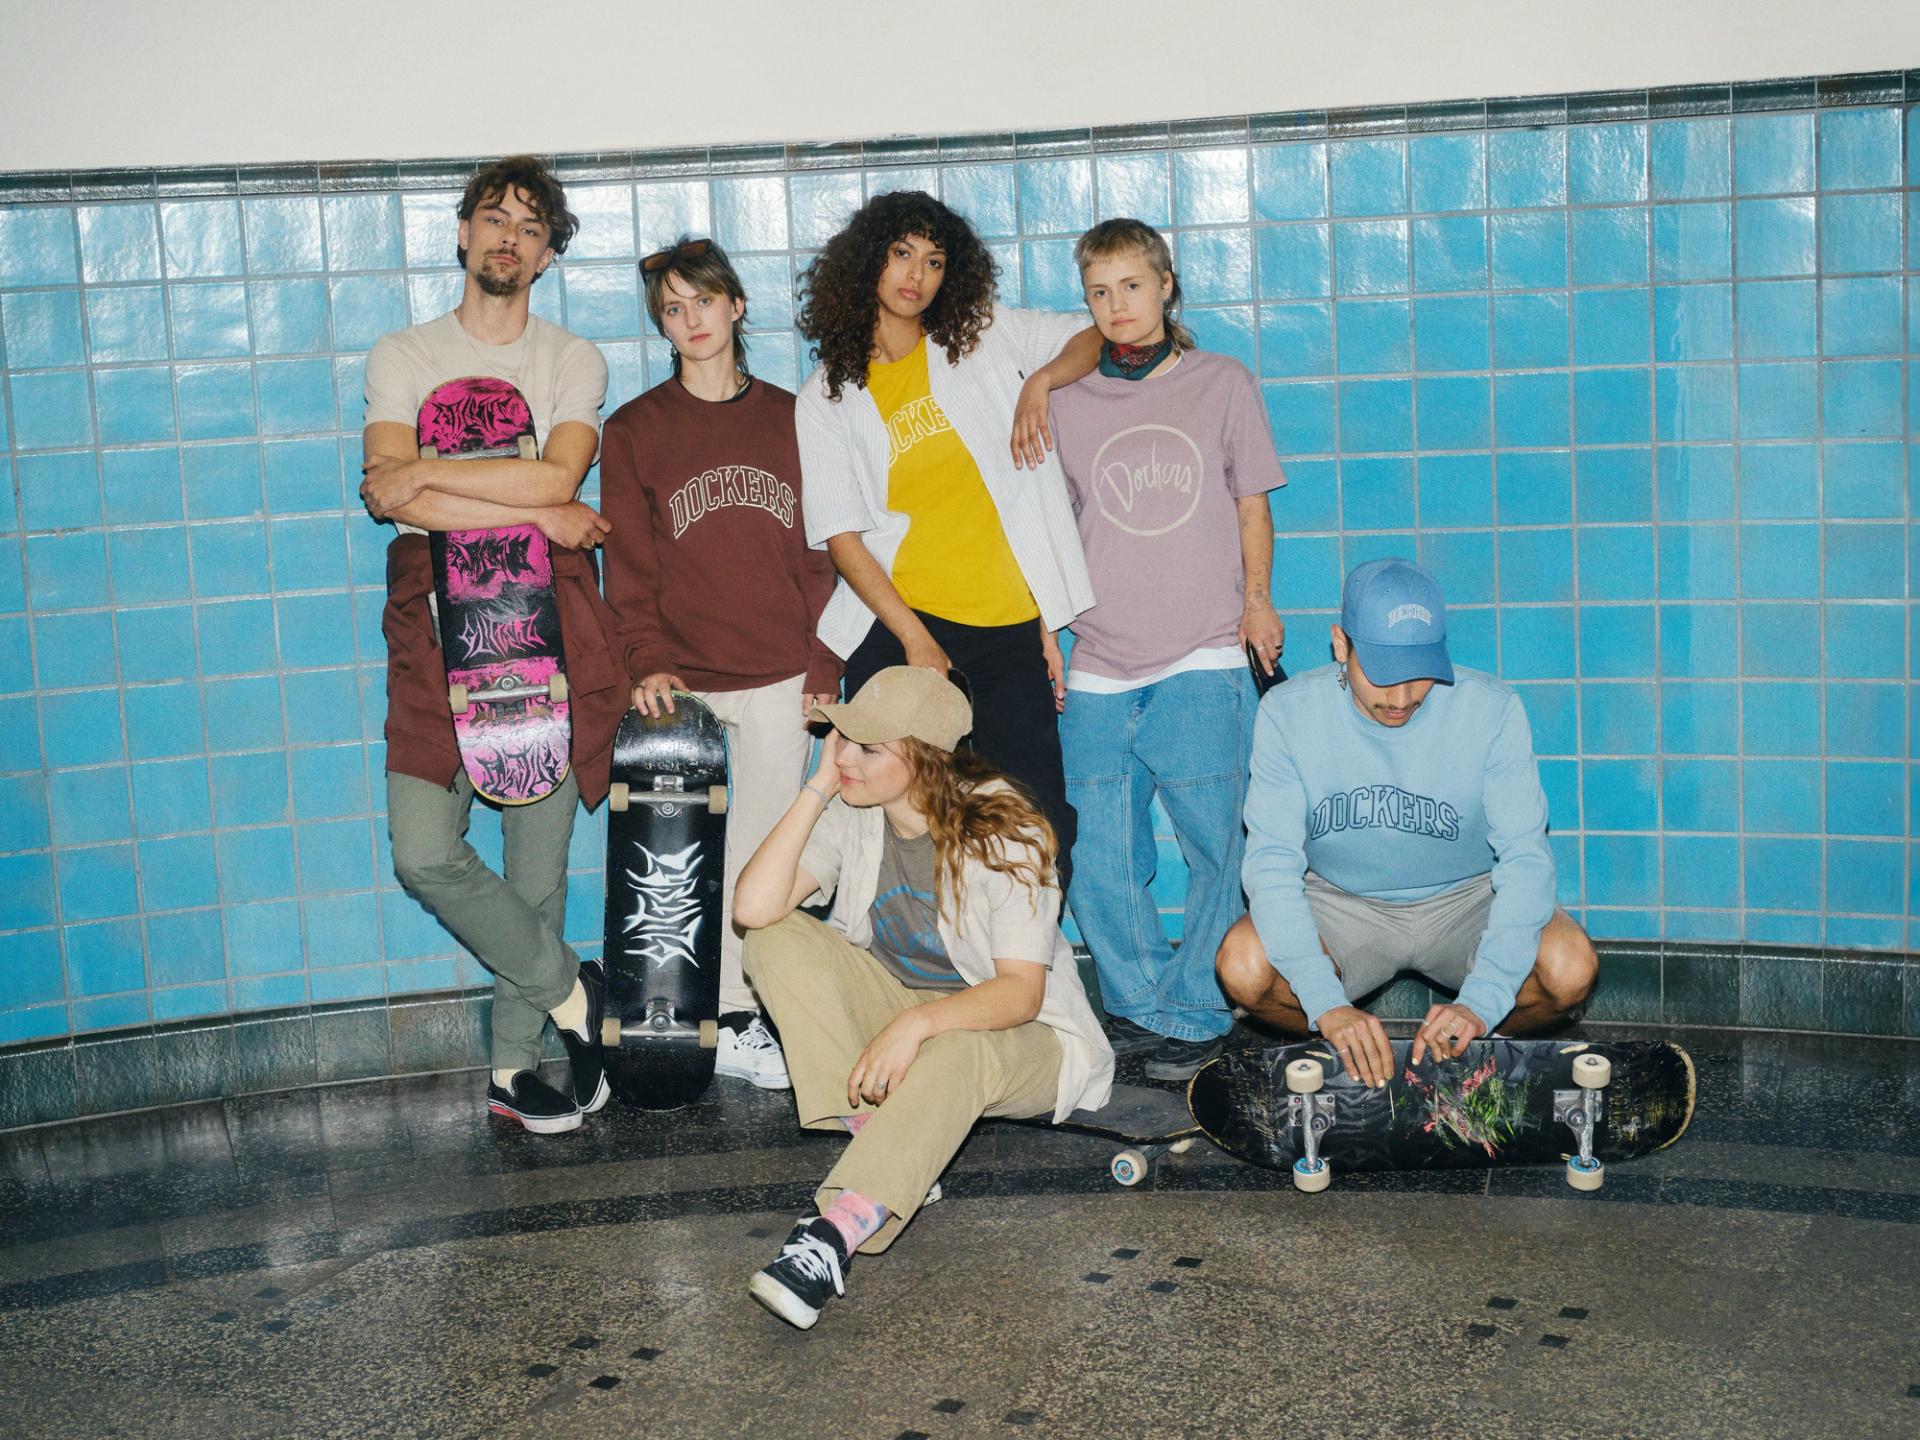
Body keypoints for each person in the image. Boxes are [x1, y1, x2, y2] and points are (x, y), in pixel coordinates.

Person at [359, 155, 622, 1134]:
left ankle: (515, 1067)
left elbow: (551, 479)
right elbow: (388, 491)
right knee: (424, 850)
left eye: (530, 225)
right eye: (494, 217)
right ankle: (572, 992)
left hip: (543, 622)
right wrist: (535, 506)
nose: (509, 236)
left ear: (547, 254)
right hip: (433, 626)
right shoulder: (402, 353)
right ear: (463, 233)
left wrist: (432, 479)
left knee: (536, 872)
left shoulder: (573, 359)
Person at [731, 666, 1114, 1330]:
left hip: (1020, 1039)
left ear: (925, 759)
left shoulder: (1006, 828)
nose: (845, 758)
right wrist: (816, 789)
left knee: (956, 1050)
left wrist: (916, 1026)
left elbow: (1021, 993)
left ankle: (832, 1236)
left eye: (867, 748)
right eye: (843, 741)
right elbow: (752, 908)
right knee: (774, 939)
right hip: (902, 1012)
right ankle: (886, 1139)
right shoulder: (854, 812)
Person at [794, 190, 1101, 883]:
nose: (916, 274)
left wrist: (1040, 384)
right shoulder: (827, 395)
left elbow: (1089, 336)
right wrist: (915, 640)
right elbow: (842, 538)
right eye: (902, 254)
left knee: (1037, 823)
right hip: (903, 625)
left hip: (1004, 627)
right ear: (867, 262)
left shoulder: (980, 335)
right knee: (901, 825)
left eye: (934, 261)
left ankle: (1022, 951)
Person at [598, 236, 841, 1090]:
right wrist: (646, 660)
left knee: (766, 853)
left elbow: (823, 556)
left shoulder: (794, 417)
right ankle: (687, 1012)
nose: (691, 319)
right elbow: (629, 568)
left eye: (704, 300)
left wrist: (824, 661)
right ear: (662, 326)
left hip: (779, 671)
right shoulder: (633, 431)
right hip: (683, 683)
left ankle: (744, 1016)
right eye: (672, 308)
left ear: (736, 305)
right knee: (675, 864)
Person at [1048, 218, 1288, 1082]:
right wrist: (1044, 631)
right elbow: (1047, 530)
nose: (1117, 305)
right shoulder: (1065, 404)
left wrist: (1257, 602)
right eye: (1099, 292)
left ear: (1166, 285)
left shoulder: (1223, 382)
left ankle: (1195, 1011)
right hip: (1099, 658)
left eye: (1132, 286)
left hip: (1205, 654)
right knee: (1094, 852)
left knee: (1220, 845)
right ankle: (1143, 1005)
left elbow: (1252, 503)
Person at [1216, 559, 1598, 1085]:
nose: (1401, 699)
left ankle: (1472, 1055)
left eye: (1418, 673)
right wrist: (1328, 1006)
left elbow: (1525, 861)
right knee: (1242, 965)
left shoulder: (1492, 710)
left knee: (1571, 968)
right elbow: (1272, 866)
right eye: (1381, 673)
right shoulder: (1287, 713)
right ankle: (1344, 1054)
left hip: (1467, 900)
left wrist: (1481, 1004)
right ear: (1341, 645)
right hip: (1342, 903)